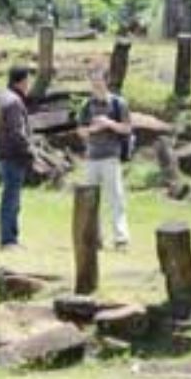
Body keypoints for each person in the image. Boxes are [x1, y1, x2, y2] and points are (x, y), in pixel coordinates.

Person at [81, 66, 134, 249]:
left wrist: (108, 123)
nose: (95, 84)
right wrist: (91, 130)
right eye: (93, 81)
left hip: (111, 157)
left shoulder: (119, 103)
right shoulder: (87, 105)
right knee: (90, 200)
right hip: (91, 158)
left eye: (98, 80)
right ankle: (95, 238)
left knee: (115, 198)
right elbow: (81, 130)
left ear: (106, 81)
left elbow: (127, 128)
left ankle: (121, 238)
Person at [0, 66, 36, 249]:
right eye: (28, 80)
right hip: (13, 156)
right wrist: (30, 151)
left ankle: (11, 237)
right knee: (11, 200)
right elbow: (17, 133)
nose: (30, 84)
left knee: (12, 199)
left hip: (7, 156)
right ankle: (8, 239)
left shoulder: (6, 98)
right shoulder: (13, 102)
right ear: (22, 81)